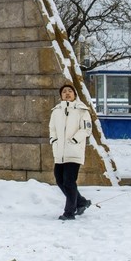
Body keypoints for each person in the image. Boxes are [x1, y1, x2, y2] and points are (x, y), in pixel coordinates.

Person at [48, 83, 92, 221]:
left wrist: (74, 140)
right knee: (60, 180)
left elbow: (86, 129)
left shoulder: (82, 110)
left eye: (70, 91)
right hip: (59, 152)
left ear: (74, 94)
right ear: (61, 95)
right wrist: (53, 140)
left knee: (69, 181)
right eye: (64, 92)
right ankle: (81, 202)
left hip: (74, 151)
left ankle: (69, 212)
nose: (67, 93)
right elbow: (52, 128)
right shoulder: (56, 111)